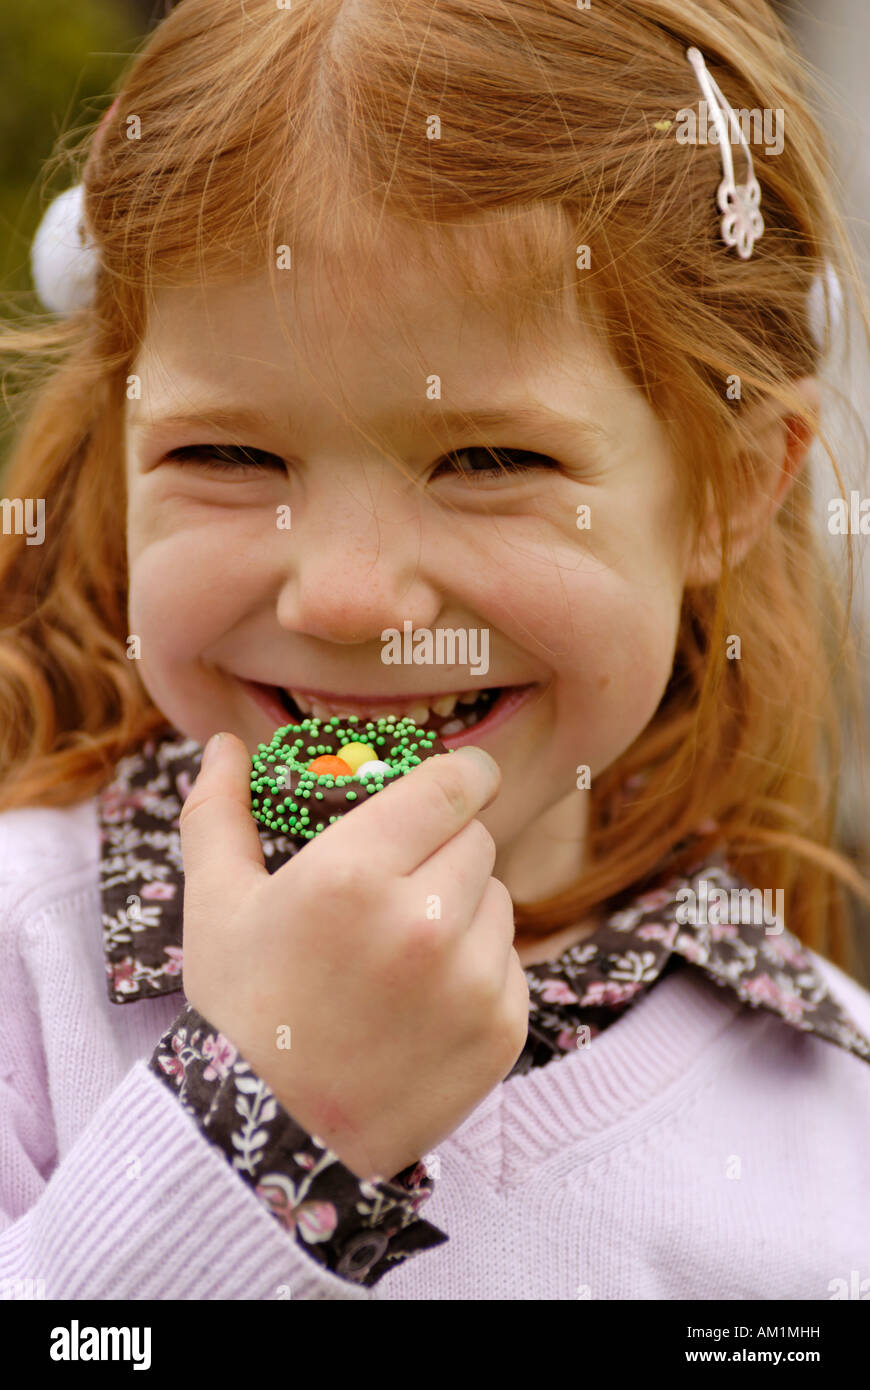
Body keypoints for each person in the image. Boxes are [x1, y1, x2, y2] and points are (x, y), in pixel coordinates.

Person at [0, 0, 869, 1300]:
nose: (347, 598)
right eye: (229, 454)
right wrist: (261, 1131)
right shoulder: (29, 964)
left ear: (727, 488)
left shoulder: (825, 1115)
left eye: (489, 460)